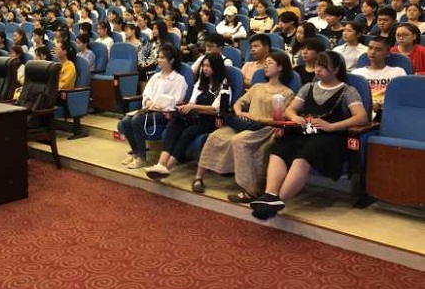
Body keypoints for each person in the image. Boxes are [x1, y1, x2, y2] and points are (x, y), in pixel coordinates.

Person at [250, 51, 369, 219]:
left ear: (336, 69)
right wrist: (295, 117)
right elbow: (290, 109)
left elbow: (361, 116)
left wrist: (332, 126)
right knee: (278, 149)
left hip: (330, 136)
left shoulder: (347, 91)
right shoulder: (309, 87)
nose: (317, 70)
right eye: (317, 66)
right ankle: (270, 195)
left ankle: (278, 200)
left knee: (303, 156)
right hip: (306, 131)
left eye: (323, 67)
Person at [193, 51, 296, 202]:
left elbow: (281, 119)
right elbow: (239, 103)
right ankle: (198, 177)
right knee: (216, 136)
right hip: (246, 124)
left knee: (239, 141)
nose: (265, 66)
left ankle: (250, 189)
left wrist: (257, 118)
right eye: (265, 63)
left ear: (280, 67)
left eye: (269, 63)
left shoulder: (287, 93)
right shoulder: (258, 87)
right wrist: (240, 112)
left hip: (265, 129)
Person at [145, 53, 228, 181]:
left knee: (187, 132)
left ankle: (167, 167)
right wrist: (184, 108)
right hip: (195, 116)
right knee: (175, 121)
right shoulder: (201, 83)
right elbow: (192, 101)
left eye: (208, 66)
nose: (205, 69)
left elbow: (216, 109)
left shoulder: (224, 86)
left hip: (210, 120)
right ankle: (161, 163)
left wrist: (193, 107)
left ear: (216, 68)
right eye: (203, 66)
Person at [118, 45, 188, 169]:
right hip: (149, 110)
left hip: (165, 114)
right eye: (158, 57)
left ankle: (142, 158)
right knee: (125, 121)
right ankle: (136, 153)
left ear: (171, 60)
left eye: (162, 58)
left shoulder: (179, 79)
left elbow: (177, 101)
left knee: (137, 120)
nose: (158, 60)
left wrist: (160, 106)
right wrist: (148, 101)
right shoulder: (156, 76)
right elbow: (147, 93)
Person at [352, 37, 406, 120]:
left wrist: (380, 105)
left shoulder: (398, 72)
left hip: (387, 111)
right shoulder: (357, 73)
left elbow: (401, 96)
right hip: (362, 110)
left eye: (378, 50)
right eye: (370, 48)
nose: (372, 52)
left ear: (387, 53)